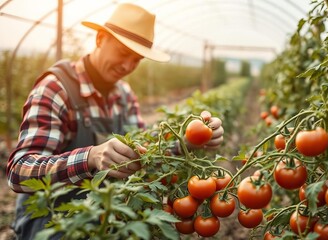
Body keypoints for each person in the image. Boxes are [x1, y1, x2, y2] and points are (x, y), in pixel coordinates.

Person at [6, 3, 224, 239]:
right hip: (54, 222)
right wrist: (90, 157)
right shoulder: (56, 89)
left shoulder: (125, 95)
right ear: (100, 39)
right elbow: (19, 171)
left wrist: (188, 142)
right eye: (122, 53)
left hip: (104, 216)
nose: (128, 66)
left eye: (137, 59)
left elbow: (145, 155)